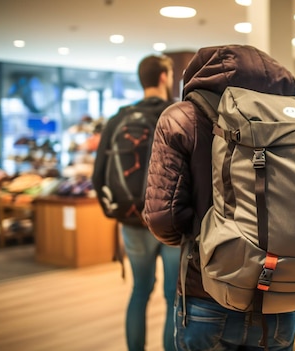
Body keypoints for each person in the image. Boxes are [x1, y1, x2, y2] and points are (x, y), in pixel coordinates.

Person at [144, 45, 295, 351]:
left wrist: (201, 238)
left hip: (206, 290)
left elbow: (163, 217)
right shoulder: (292, 118)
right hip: (280, 291)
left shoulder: (182, 117)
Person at [91, 54, 180, 351]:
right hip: (170, 222)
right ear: (164, 77)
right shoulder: (177, 114)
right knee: (173, 297)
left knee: (140, 290)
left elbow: (97, 175)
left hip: (132, 220)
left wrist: (115, 213)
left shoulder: (119, 117)